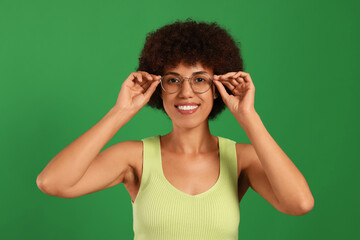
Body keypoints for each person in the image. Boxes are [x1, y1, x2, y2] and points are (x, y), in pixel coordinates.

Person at [36, 19, 314, 239]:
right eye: (173, 80)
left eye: (200, 79)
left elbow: (299, 204)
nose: (186, 92)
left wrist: (248, 116)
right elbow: (53, 182)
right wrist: (121, 111)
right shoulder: (135, 157)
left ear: (218, 88)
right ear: (159, 88)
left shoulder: (241, 159)